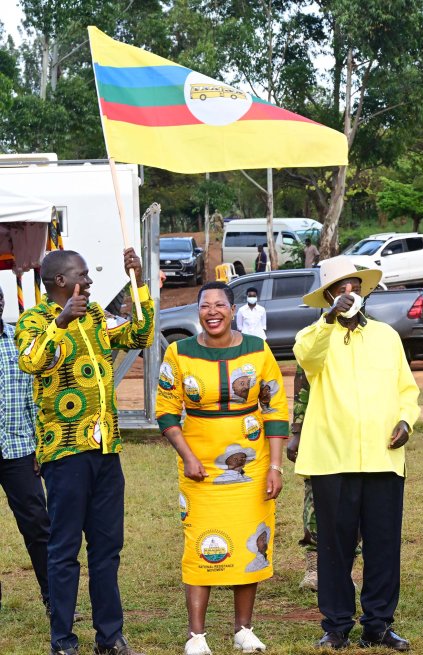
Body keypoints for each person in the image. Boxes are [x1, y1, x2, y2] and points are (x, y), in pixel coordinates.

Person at [15, 248, 153, 655]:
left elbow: (139, 335)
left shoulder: (95, 318)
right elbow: (31, 361)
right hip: (65, 455)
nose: (90, 281)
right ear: (61, 282)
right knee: (63, 552)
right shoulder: (34, 320)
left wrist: (137, 282)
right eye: (83, 275)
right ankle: (63, 640)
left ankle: (109, 637)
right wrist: (60, 321)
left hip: (106, 449)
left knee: (107, 548)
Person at [293, 256, 420, 651]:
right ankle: (335, 626)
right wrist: (329, 319)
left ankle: (378, 624)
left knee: (384, 545)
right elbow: (308, 357)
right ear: (328, 297)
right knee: (335, 547)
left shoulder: (386, 336)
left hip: (383, 458)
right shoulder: (313, 336)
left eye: (355, 287)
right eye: (340, 289)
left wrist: (406, 420)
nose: (349, 295)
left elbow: (408, 390)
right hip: (333, 458)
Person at [156, 281, 289, 655]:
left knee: (252, 542)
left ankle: (244, 630)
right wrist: (188, 456)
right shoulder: (179, 353)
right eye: (204, 306)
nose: (212, 312)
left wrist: (275, 467)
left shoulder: (258, 350)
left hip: (252, 464)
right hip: (199, 467)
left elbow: (276, 410)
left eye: (219, 305)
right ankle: (196, 636)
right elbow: (165, 411)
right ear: (198, 311)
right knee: (200, 542)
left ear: (233, 310)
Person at [0, 286, 51, 615]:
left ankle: (54, 599)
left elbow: (39, 394)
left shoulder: (20, 341)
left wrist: (41, 446)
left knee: (37, 524)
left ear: (2, 302)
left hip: (19, 448)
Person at [286, 366, 319, 591]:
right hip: (319, 433)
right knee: (315, 503)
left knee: (354, 509)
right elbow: (303, 386)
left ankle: (344, 570)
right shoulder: (315, 336)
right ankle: (314, 569)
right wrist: (297, 431)